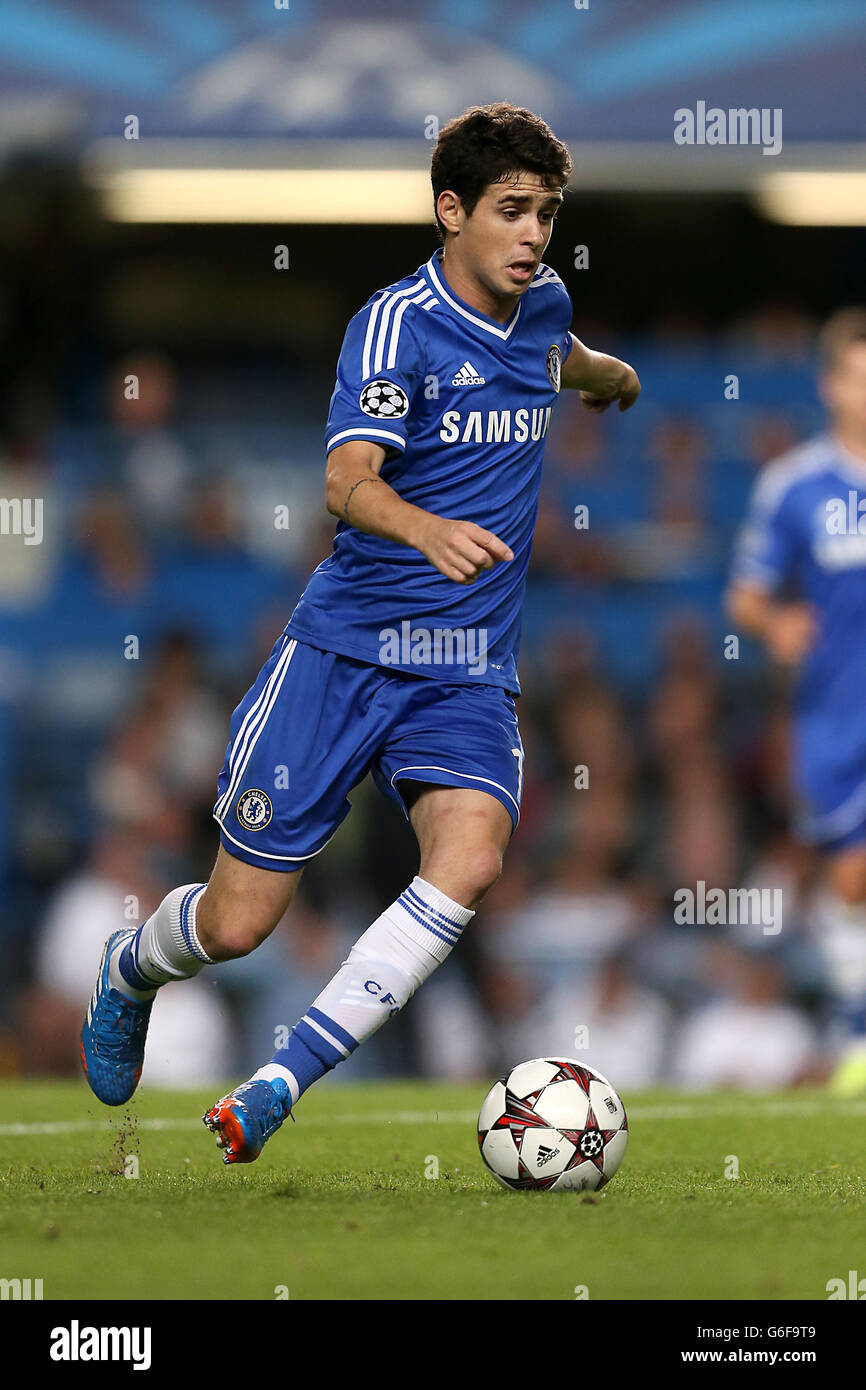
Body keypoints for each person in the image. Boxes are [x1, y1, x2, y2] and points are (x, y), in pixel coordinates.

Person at [80, 103, 640, 1163]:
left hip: (464, 667)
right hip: (344, 655)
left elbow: (552, 353)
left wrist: (608, 376)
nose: (532, 234)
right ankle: (129, 967)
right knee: (241, 924)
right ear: (449, 212)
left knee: (468, 862)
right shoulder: (394, 326)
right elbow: (344, 480)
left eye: (546, 214)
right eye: (511, 211)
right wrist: (424, 528)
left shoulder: (543, 303)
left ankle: (279, 1083)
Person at [727, 308, 866, 1093]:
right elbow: (744, 597)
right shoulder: (794, 486)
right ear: (830, 387)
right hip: (835, 713)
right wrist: (776, 620)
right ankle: (855, 1030)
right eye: (860, 378)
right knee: (850, 877)